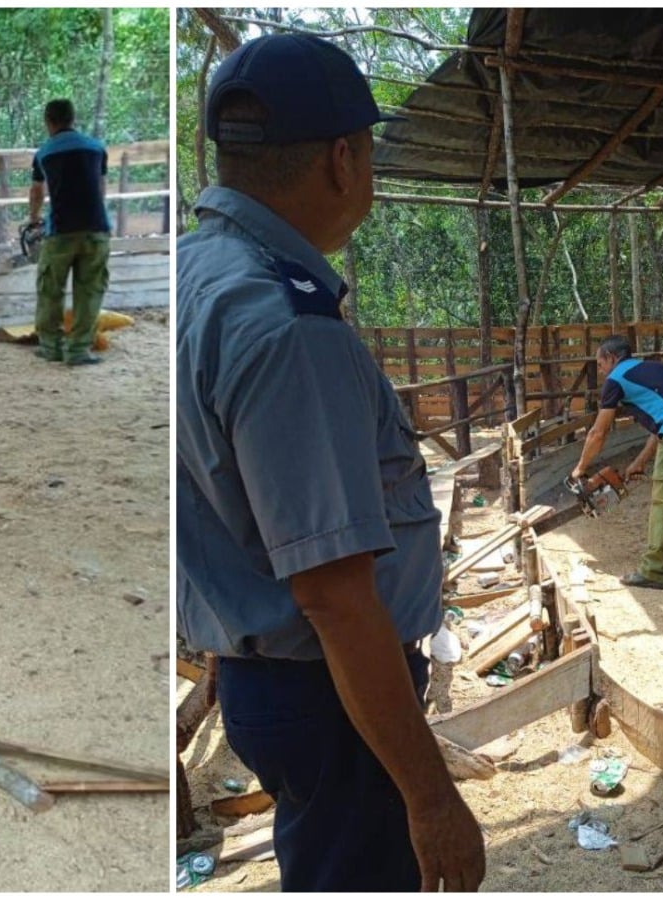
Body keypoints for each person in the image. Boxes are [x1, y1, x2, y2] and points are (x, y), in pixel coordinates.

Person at [176, 34, 485, 893]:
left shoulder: (190, 276)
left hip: (263, 678)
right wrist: (431, 799)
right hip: (335, 696)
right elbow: (335, 596)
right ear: (344, 161)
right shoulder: (287, 325)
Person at [571, 335, 663, 589]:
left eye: (600, 364)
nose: (601, 371)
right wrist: (639, 461)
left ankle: (655, 570)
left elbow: (597, 433)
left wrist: (580, 468)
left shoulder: (616, 380)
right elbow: (662, 422)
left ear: (611, 358)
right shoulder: (649, 369)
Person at [27, 98, 111, 366]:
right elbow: (100, 188)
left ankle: (51, 347)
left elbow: (37, 191)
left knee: (50, 289)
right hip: (97, 228)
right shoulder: (97, 149)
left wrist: (34, 218)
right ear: (73, 119)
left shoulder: (44, 153)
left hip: (61, 231)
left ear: (48, 121)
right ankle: (77, 351)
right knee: (89, 292)